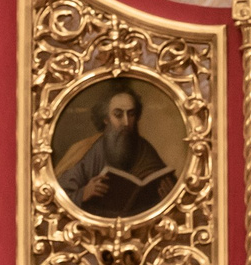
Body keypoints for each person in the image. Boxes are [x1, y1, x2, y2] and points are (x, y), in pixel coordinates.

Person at [55, 82, 176, 219]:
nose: (126, 122)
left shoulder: (145, 149)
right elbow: (57, 197)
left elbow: (166, 193)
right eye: (118, 115)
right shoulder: (86, 151)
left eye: (131, 114)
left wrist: (168, 197)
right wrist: (83, 193)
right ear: (106, 118)